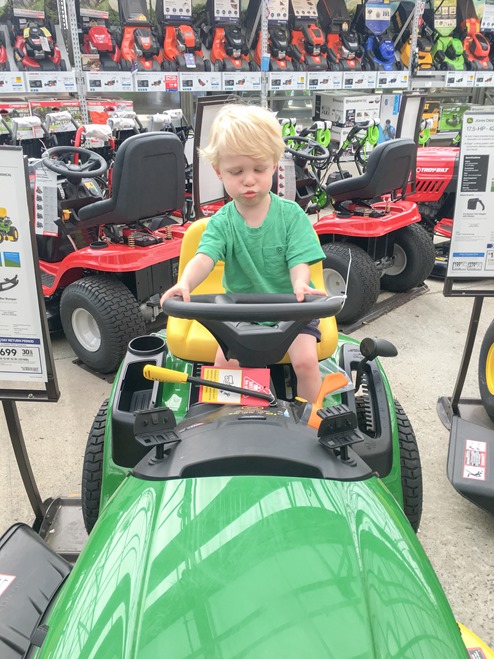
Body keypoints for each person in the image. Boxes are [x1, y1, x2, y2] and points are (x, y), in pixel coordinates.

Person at [160, 103, 327, 402]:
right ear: (218, 171)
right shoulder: (222, 223)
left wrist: (301, 284)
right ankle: (230, 421)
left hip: (291, 310)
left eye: (259, 169)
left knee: (305, 362)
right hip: (240, 312)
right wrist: (185, 283)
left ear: (275, 164)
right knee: (225, 365)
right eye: (236, 171)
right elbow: (204, 258)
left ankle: (310, 422)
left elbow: (299, 262)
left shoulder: (291, 217)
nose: (248, 180)